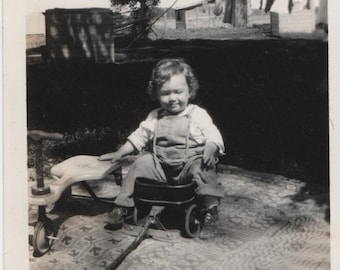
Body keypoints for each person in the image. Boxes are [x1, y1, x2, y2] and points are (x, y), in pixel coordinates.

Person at [99, 58, 225, 239]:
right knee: (141, 162)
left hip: (188, 164)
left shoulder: (197, 114)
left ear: (190, 90)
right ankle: (123, 206)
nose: (172, 98)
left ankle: (210, 209)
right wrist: (120, 152)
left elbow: (213, 134)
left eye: (178, 92)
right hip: (162, 167)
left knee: (204, 168)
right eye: (165, 93)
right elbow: (139, 136)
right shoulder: (155, 116)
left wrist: (211, 147)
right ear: (156, 94)